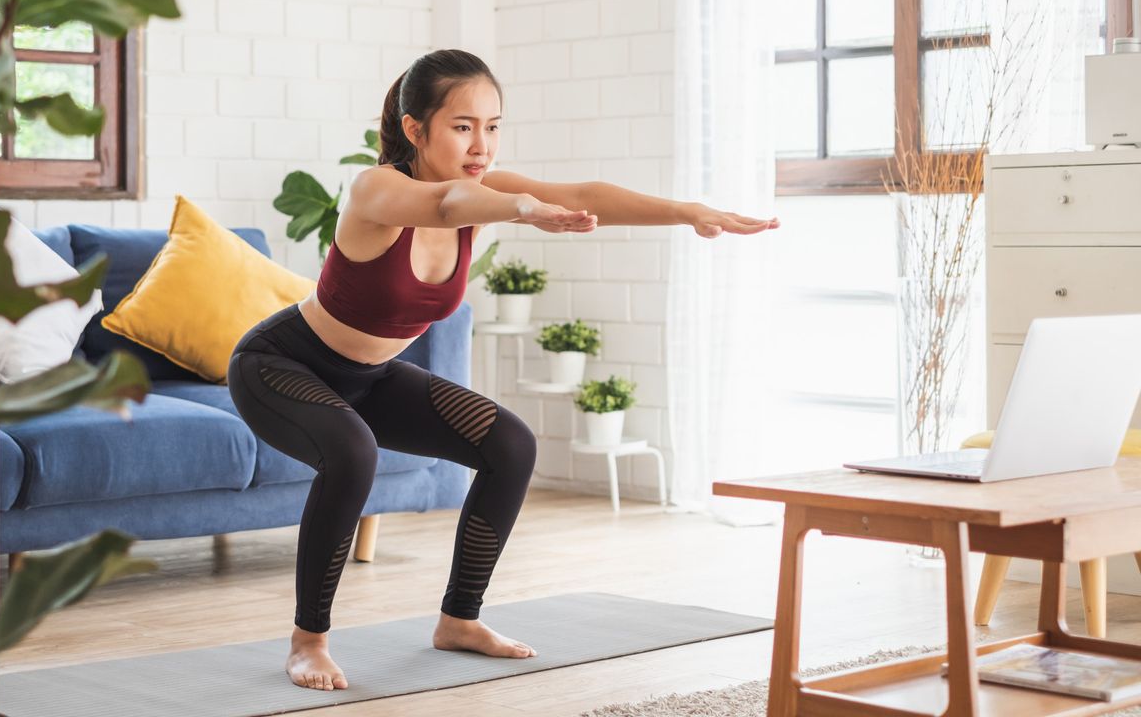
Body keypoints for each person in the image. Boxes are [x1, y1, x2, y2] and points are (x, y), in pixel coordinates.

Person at [226, 48, 779, 692]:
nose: (480, 144)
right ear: (415, 129)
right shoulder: (375, 188)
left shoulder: (485, 188)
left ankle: (459, 619)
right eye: (463, 126)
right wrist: (521, 208)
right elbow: (443, 206)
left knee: (510, 444)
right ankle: (308, 641)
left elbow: (582, 193)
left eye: (492, 126)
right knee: (353, 452)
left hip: (369, 378)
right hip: (280, 364)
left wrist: (689, 212)